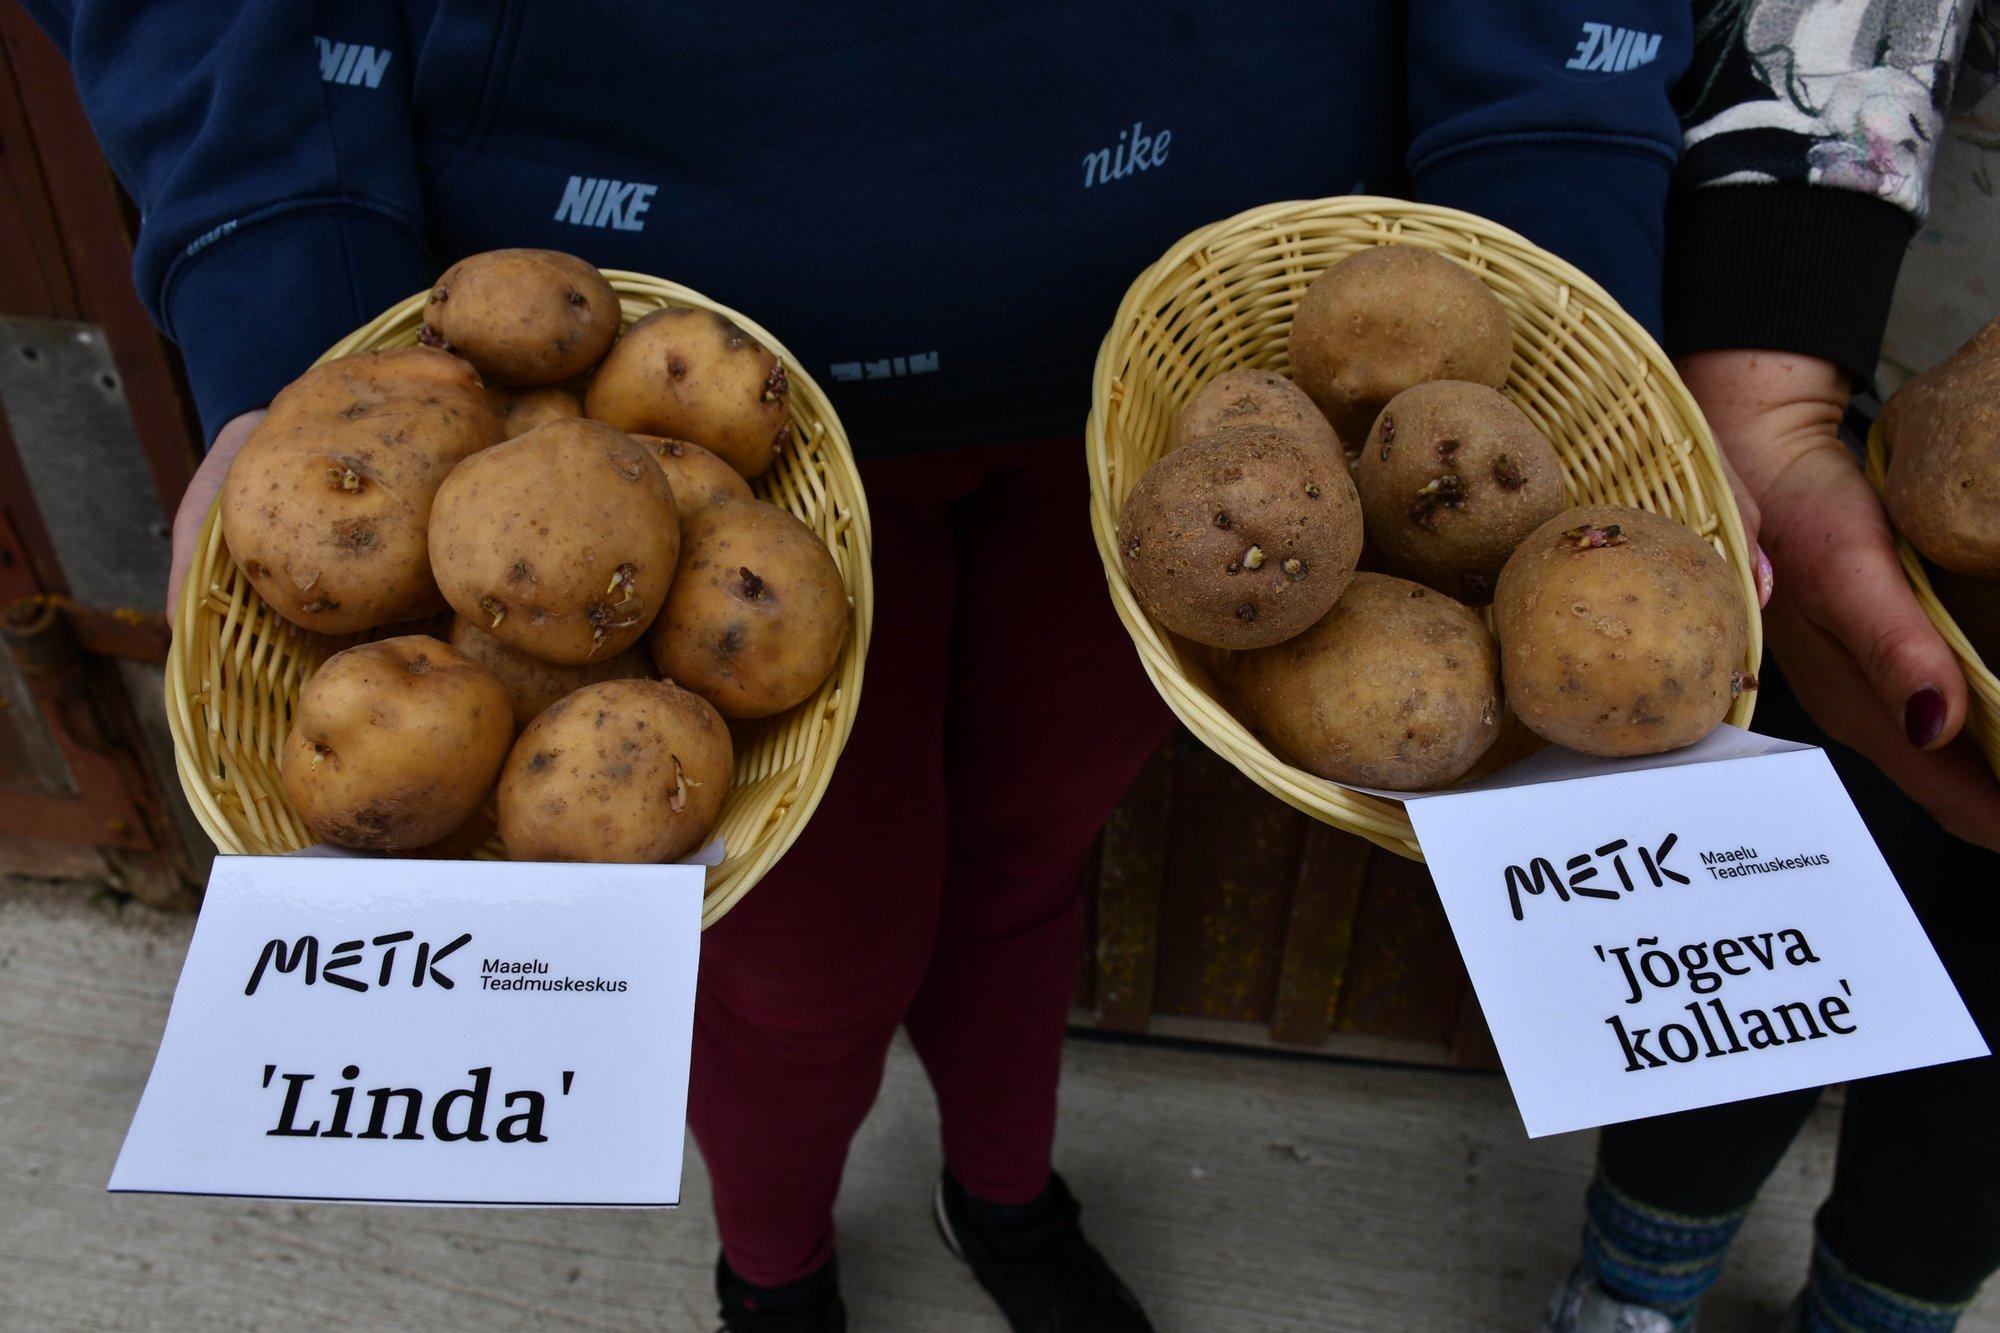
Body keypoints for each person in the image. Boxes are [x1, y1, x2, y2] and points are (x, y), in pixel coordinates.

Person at [23, 3, 1796, 1329]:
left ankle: (1004, 1194)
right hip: (670, 389)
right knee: (805, 963)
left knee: (1027, 866)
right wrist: (292, 293)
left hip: (1164, 398)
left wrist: (1557, 259)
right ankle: (774, 1264)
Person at [1541, 3, 2000, 1331]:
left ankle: (1887, 1312)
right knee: (1750, 928)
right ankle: (1635, 1280)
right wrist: (1769, 397)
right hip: (1859, 386)